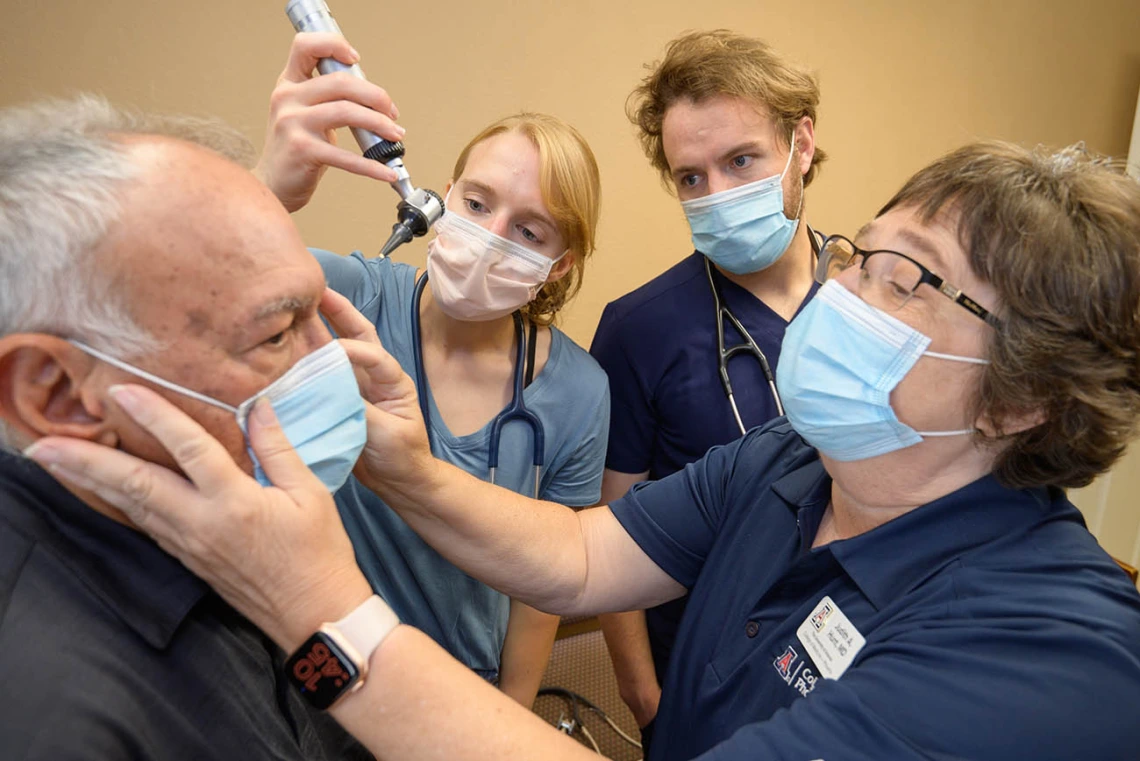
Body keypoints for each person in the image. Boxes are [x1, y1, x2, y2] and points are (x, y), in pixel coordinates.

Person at [39, 139, 1140, 761]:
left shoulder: (1055, 656)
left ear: (1026, 398)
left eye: (911, 281)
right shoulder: (797, 463)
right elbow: (575, 558)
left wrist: (319, 607)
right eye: (864, 256)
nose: (845, 294)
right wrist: (402, 464)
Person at [0, 96, 370, 759]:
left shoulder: (226, 523)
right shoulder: (52, 719)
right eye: (281, 332)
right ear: (59, 395)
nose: (332, 361)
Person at [253, 32, 610, 706]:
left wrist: (512, 719)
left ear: (559, 265)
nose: (488, 237)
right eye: (476, 205)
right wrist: (271, 184)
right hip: (314, 670)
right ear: (444, 197)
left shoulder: (577, 393)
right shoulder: (349, 297)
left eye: (529, 232)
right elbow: (203, 278)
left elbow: (545, 589)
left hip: (457, 691)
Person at [588, 31, 826, 739]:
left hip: (848, 670)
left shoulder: (874, 303)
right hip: (700, 681)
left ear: (802, 145)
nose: (716, 195)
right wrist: (645, 696)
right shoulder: (640, 328)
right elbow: (609, 532)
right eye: (692, 177)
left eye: (741, 160)